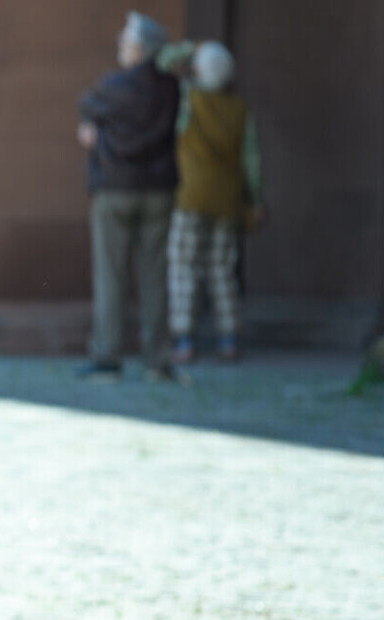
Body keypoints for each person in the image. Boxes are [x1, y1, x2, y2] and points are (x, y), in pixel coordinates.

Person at [77, 11, 185, 384]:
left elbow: (88, 109)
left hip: (115, 188)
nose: (121, 46)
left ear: (139, 48)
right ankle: (157, 359)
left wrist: (94, 134)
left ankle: (107, 357)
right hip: (158, 190)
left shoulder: (114, 86)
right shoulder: (170, 88)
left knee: (111, 275)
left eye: (126, 40)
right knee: (155, 275)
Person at [160, 39, 264, 363]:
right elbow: (251, 160)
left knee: (183, 267)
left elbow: (162, 64)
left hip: (189, 195)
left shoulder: (188, 97)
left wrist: (188, 49)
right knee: (222, 271)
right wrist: (254, 198)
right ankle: (229, 337)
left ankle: (184, 339)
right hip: (227, 199)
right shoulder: (238, 109)